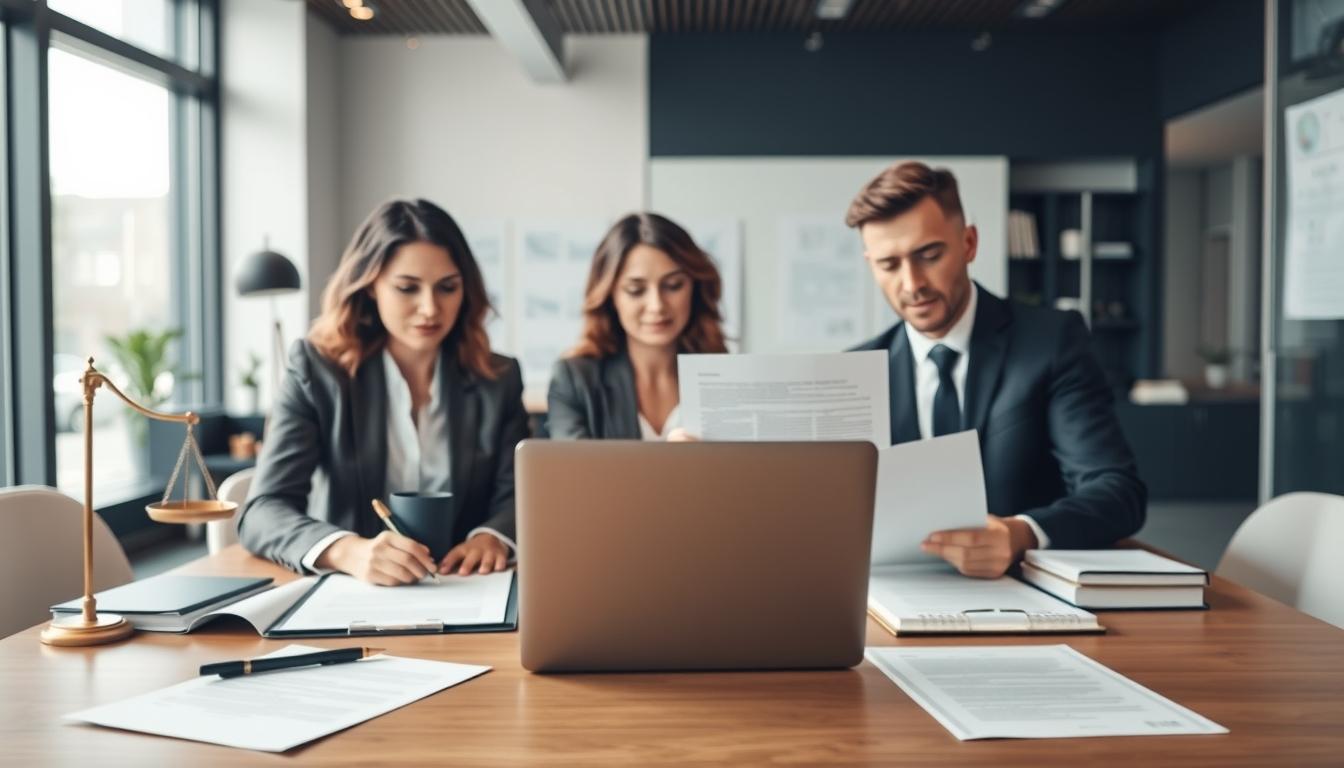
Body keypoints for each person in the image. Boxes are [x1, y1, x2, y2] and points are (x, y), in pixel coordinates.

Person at [847, 161, 1146, 578]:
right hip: (889, 599)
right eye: (889, 265)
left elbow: (1117, 492)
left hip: (1022, 594)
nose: (912, 283)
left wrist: (1022, 533)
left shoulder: (1052, 342)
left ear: (969, 243)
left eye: (929, 255)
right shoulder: (857, 371)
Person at [237, 199, 529, 585]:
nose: (430, 308)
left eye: (447, 287)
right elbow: (262, 510)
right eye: (407, 288)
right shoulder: (317, 369)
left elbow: (520, 493)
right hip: (354, 591)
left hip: (468, 588)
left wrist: (492, 537)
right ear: (370, 285)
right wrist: (346, 550)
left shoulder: (498, 377)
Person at [547, 213, 728, 440]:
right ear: (610, 295)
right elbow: (571, 473)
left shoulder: (724, 376)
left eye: (673, 285)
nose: (657, 306)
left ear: (696, 287)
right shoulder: (575, 380)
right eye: (636, 290)